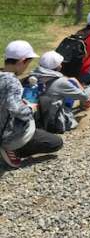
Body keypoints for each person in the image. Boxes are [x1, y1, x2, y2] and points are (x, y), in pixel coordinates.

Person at [0, 41, 63, 169]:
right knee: (56, 142)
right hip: (8, 135)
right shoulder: (11, 81)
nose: (26, 67)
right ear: (22, 61)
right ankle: (12, 150)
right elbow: (14, 108)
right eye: (27, 63)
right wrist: (29, 108)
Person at [31, 51, 90, 133]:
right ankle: (88, 102)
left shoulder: (34, 77)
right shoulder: (60, 82)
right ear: (58, 66)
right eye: (60, 63)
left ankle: (86, 102)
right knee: (72, 85)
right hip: (54, 123)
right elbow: (84, 96)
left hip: (40, 117)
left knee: (71, 81)